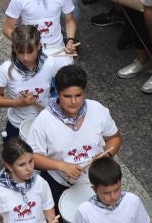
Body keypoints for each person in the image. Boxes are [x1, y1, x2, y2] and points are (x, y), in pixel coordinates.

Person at [26, 63, 119, 196]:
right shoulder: (44, 120)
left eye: (78, 95)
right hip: (59, 182)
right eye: (67, 96)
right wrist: (62, 166)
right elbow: (32, 156)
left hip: (96, 181)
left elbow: (114, 137)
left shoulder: (98, 110)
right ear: (57, 93)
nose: (74, 101)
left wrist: (106, 155)